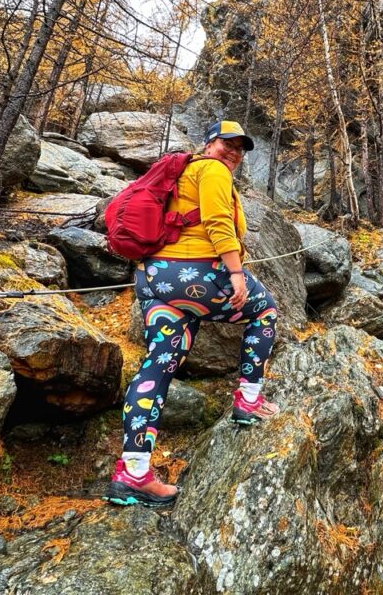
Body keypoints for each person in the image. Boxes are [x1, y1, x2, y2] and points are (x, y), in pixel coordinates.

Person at [103, 120, 281, 507]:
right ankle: (248, 400)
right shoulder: (211, 170)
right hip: (195, 273)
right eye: (226, 143)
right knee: (264, 311)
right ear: (208, 144)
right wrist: (235, 273)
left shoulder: (178, 174)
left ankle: (133, 473)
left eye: (240, 148)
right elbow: (218, 223)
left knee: (157, 366)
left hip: (155, 281)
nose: (233, 152)